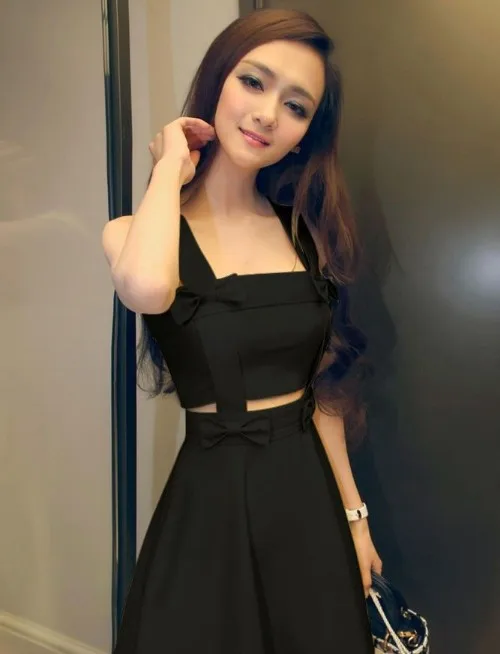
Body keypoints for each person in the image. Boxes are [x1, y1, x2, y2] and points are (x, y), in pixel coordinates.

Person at [102, 8, 382, 653]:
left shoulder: (303, 233)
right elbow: (146, 290)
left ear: (305, 135)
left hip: (305, 494)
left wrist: (355, 518)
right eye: (253, 82)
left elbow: (324, 391)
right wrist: (170, 169)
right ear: (216, 84)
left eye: (296, 106)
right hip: (210, 503)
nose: (267, 114)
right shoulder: (134, 234)